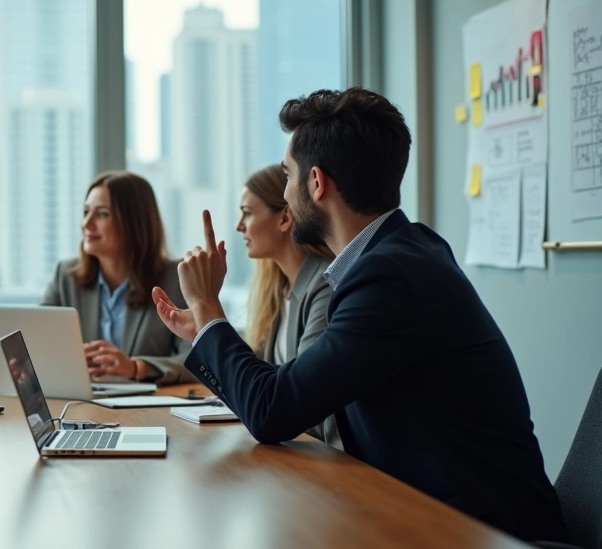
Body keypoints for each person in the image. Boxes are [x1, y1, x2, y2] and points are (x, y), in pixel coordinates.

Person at [153, 87, 565, 543]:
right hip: (429, 512)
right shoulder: (402, 253)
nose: (286, 195)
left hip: (480, 531)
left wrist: (210, 310)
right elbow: (287, 397)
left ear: (316, 182)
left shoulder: (389, 276)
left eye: (288, 177)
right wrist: (205, 330)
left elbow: (274, 410)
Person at [42, 171, 196, 385]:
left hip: (149, 412)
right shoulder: (65, 277)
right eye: (86, 212)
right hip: (81, 405)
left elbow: (198, 360)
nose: (87, 223)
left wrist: (135, 367)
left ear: (134, 222)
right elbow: (36, 343)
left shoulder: (175, 279)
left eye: (102, 214)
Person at [237, 164, 339, 447]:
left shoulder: (324, 285)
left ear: (284, 217)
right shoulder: (277, 290)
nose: (239, 226)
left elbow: (304, 399)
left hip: (323, 453)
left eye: (247, 212)